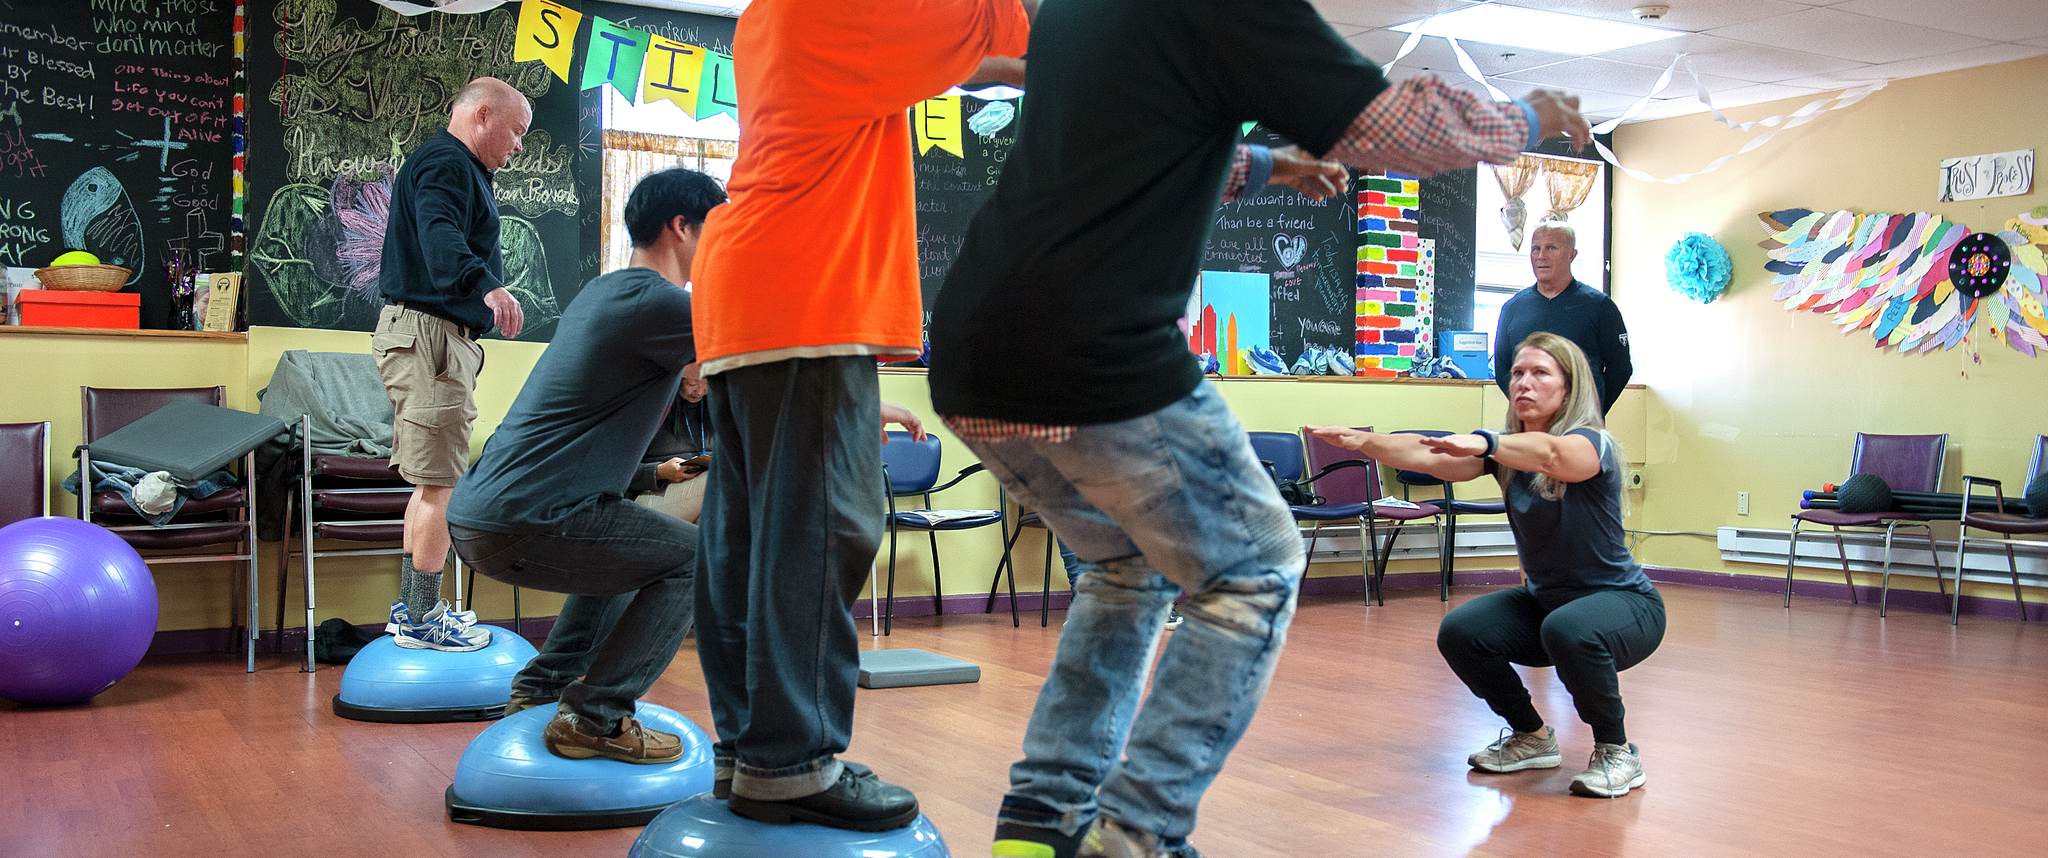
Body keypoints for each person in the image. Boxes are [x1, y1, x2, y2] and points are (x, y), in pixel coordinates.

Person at [924, 1, 1591, 855]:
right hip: (1094, 353)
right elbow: (1397, 130)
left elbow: (1148, 142)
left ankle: (1040, 821)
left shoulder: (1074, 8)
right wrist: (1536, 117)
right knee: (1255, 567)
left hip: (976, 353)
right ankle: (1137, 835)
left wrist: (1274, 168)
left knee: (1126, 567)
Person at [687, 0, 1034, 834]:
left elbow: (979, 62)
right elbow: (1023, 43)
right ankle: (792, 761)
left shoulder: (776, 13)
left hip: (746, 300)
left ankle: (750, 750)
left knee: (749, 538)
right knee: (821, 530)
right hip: (806, 294)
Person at [1309, 331, 1665, 799]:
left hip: (1625, 605)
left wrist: (1485, 441)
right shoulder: (1505, 456)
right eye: (1517, 373)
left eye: (1540, 373)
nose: (1524, 383)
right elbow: (1427, 455)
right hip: (1549, 606)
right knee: (1462, 631)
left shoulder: (1591, 443)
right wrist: (1365, 442)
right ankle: (1532, 737)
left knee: (1569, 629)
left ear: (1568, 386)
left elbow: (1554, 455)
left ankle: (1617, 751)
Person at [444, 167, 724, 763]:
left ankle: (541, 691)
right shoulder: (659, 303)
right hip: (529, 516)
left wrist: (654, 475)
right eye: (720, 229)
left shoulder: (606, 292)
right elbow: (769, 353)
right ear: (682, 227)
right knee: (693, 560)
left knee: (627, 546)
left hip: (487, 513)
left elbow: (579, 436)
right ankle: (597, 717)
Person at [371, 76, 531, 651]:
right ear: (483, 116)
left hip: (429, 336)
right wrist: (487, 286)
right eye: (516, 132)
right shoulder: (447, 163)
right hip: (431, 336)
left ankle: (413, 612)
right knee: (442, 487)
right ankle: (421, 620)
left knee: (430, 485)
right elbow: (440, 236)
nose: (518, 147)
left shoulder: (453, 165)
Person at [1493, 223, 1632, 415]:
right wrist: (1528, 407)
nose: (1541, 256)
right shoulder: (1513, 308)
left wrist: (1593, 411)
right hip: (1528, 426)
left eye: (1551, 248)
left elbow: (1621, 368)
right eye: (1536, 249)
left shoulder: (1599, 306)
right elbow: (1502, 369)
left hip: (1580, 425)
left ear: (1571, 255)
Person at [629, 361, 711, 524]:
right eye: (693, 383)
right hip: (652, 495)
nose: (700, 391)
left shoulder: (716, 409)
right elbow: (617, 470)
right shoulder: (650, 408)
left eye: (707, 382)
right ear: (677, 379)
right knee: (717, 480)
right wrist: (660, 471)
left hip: (702, 495)